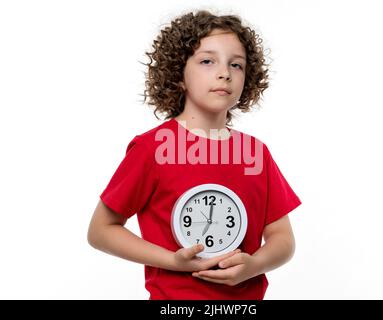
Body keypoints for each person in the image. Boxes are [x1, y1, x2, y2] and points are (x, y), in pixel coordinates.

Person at [87, 9, 302, 300]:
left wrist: (254, 265)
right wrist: (172, 261)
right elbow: (101, 230)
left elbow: (282, 238)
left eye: (236, 65)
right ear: (179, 75)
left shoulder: (255, 153)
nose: (224, 72)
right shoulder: (153, 149)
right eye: (207, 61)